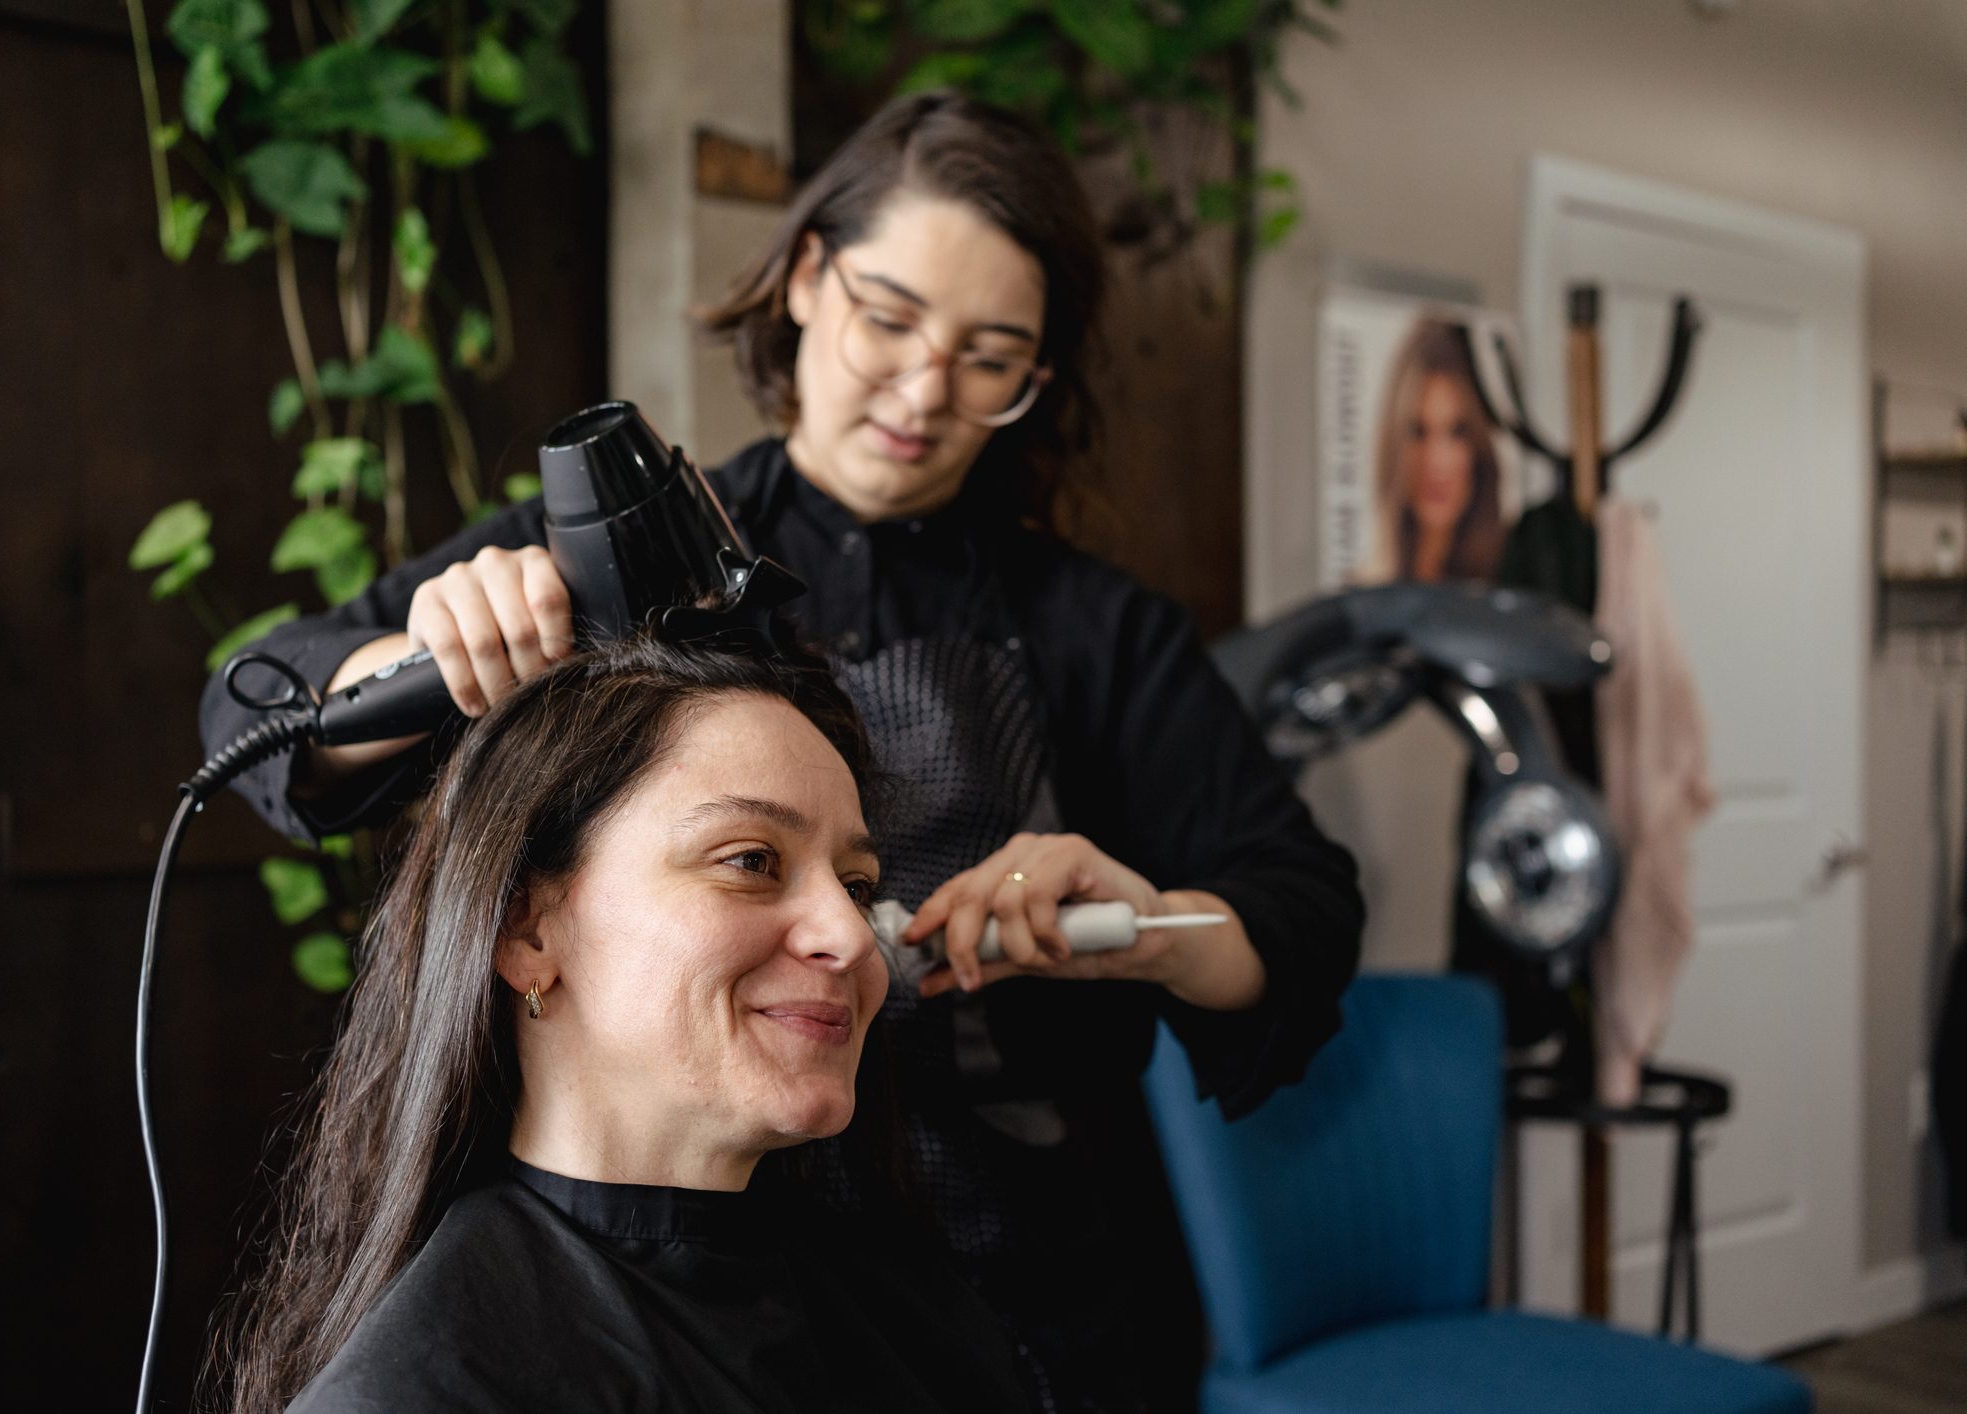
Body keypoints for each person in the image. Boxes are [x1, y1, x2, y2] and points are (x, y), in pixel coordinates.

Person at [202, 92, 1365, 1412]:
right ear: (809, 278)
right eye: (891, 318)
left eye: (992, 357)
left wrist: (1145, 924)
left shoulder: (1097, 632)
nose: (925, 391)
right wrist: (417, 657)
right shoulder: (627, 555)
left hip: (1026, 1278)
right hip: (699, 1249)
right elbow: (257, 717)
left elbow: (1298, 906)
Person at [212, 635, 1036, 1413]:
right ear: (528, 933)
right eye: (750, 861)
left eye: (855, 885)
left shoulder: (923, 1325)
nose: (854, 938)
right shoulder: (425, 1389)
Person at [1367, 317, 1508, 583]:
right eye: (1418, 432)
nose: (1437, 462)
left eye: (1457, 432)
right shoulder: (1362, 597)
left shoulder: (1507, 586)